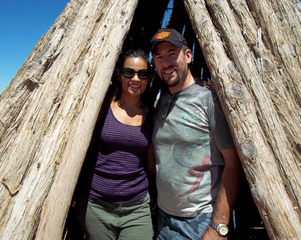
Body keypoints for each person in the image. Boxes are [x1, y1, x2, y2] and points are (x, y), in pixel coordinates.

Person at [149, 28, 243, 239]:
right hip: (164, 217)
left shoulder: (208, 99)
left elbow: (233, 162)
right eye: (159, 57)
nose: (166, 63)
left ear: (188, 55)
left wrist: (219, 224)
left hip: (201, 219)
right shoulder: (162, 99)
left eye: (172, 53)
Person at [75, 48, 156, 240]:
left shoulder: (152, 115)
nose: (135, 79)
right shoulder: (100, 109)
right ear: (119, 74)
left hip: (136, 206)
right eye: (129, 72)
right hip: (96, 205)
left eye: (142, 74)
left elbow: (151, 163)